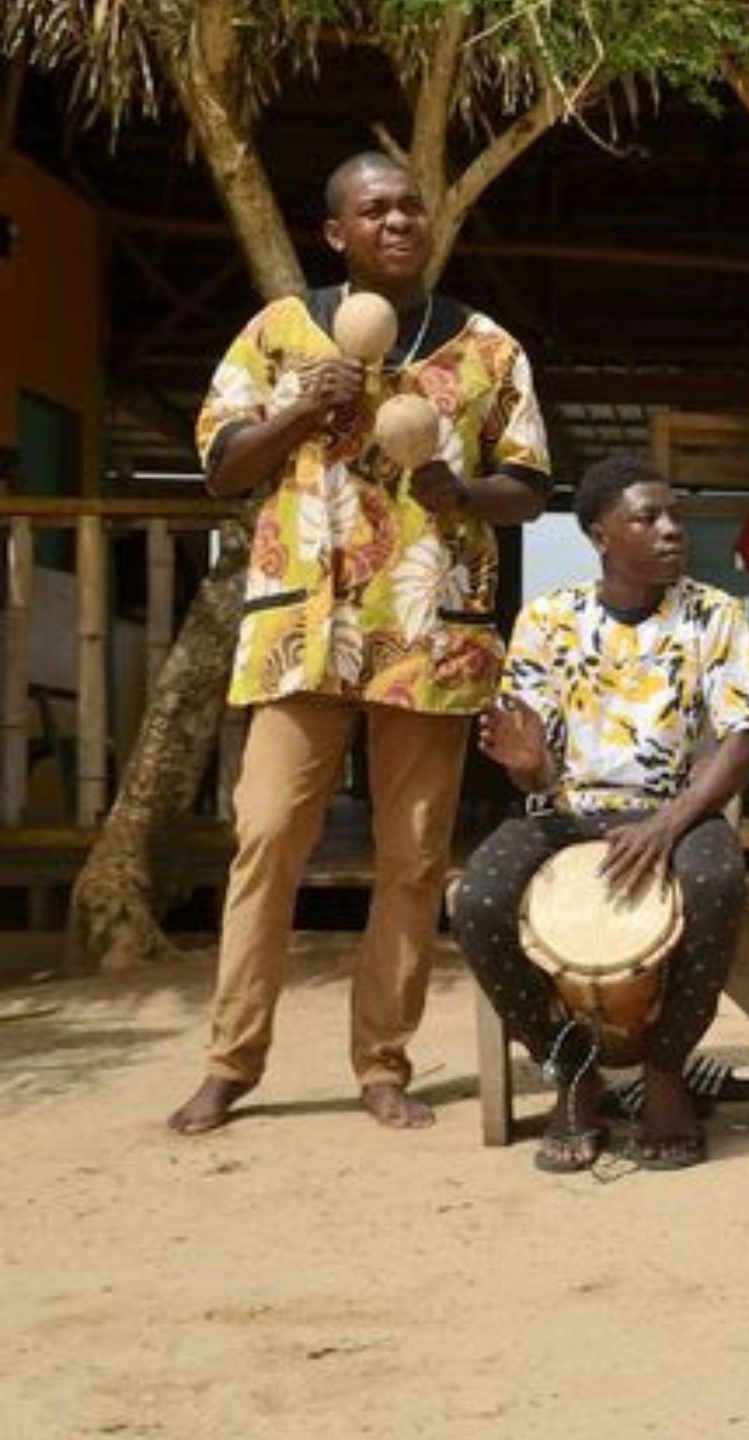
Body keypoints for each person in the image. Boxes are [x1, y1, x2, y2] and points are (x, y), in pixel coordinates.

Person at [169, 152, 550, 1135]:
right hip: (305, 631)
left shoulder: (486, 347)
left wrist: (463, 495)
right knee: (266, 839)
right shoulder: (279, 334)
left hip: (430, 630)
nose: (397, 220)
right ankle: (230, 1062)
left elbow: (532, 484)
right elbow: (219, 466)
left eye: (409, 205)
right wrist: (301, 406)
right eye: (373, 209)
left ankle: (383, 1063)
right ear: (333, 232)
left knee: (413, 856)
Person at [453, 454, 749, 1172]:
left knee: (717, 884)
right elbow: (535, 770)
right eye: (647, 517)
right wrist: (525, 762)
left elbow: (741, 744)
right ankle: (572, 1070)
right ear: (601, 535)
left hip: (679, 813)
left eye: (675, 517)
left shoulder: (714, 616)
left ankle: (665, 1073)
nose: (670, 531)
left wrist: (667, 826)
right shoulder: (548, 619)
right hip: (567, 815)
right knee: (474, 901)